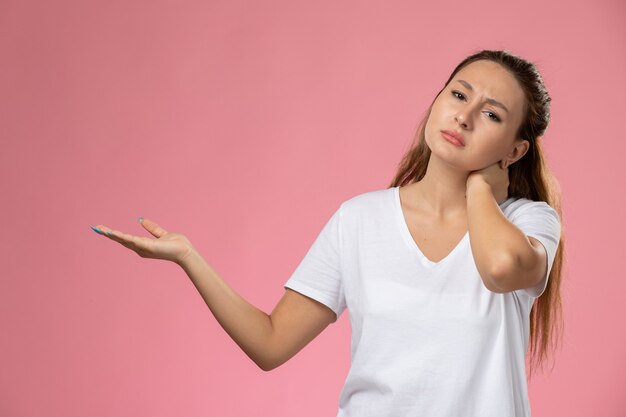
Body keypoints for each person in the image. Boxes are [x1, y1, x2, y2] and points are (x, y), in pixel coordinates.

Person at [91, 49, 566, 417]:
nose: (464, 116)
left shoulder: (529, 223)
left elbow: (500, 268)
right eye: (459, 95)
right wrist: (188, 256)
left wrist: (482, 187)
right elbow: (271, 342)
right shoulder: (359, 220)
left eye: (492, 114)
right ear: (438, 101)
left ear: (516, 149)